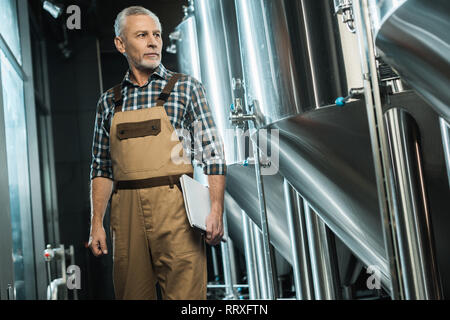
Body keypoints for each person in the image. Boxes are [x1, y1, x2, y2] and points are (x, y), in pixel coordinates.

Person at [87, 6, 226, 300]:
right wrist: (96, 223)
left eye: (157, 35)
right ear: (120, 44)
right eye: (142, 35)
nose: (153, 42)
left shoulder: (186, 88)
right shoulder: (108, 102)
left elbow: (212, 153)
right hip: (125, 217)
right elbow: (101, 168)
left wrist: (216, 209)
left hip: (176, 211)